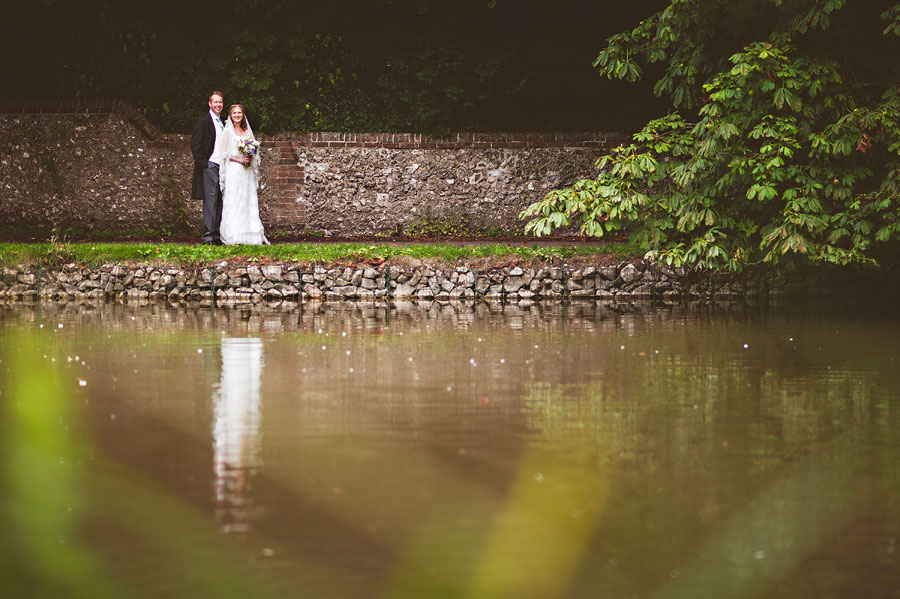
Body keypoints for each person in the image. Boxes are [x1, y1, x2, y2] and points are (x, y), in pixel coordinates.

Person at [216, 104, 269, 245]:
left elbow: (254, 150)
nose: (237, 115)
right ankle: (233, 235)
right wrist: (239, 159)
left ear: (243, 114)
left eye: (239, 112)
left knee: (246, 200)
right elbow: (224, 154)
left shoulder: (246, 131)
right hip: (234, 169)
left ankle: (250, 234)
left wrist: (250, 155)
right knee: (235, 200)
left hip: (246, 172)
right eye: (235, 113)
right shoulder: (227, 132)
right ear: (230, 115)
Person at [191, 91, 226, 245]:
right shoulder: (203, 121)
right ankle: (207, 237)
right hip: (210, 166)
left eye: (220, 102)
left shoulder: (223, 123)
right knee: (210, 201)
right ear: (210, 104)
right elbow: (196, 145)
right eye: (215, 102)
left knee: (220, 201)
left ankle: (217, 236)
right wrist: (204, 164)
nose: (218, 105)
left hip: (223, 166)